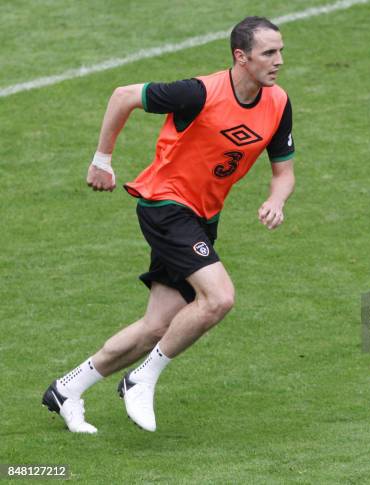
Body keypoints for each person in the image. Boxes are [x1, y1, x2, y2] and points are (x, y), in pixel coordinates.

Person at [42, 16, 295, 433]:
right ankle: (142, 379)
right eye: (269, 52)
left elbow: (283, 172)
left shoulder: (278, 103)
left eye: (280, 50)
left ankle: (67, 389)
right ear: (241, 57)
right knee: (219, 299)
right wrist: (101, 161)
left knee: (157, 326)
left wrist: (275, 199)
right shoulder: (198, 93)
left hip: (203, 217)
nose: (279, 60)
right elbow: (123, 95)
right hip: (166, 206)